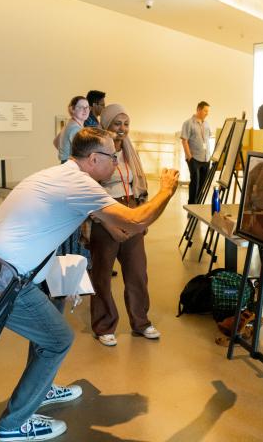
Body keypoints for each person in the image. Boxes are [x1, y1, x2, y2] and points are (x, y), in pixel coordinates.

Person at [0, 127, 179, 441]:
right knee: (58, 339)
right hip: (2, 279)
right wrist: (166, 190)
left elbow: (66, 233)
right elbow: (136, 221)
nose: (116, 162)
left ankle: (42, 388)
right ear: (94, 159)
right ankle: (14, 424)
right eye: (112, 156)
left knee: (52, 314)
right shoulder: (80, 184)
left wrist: (69, 279)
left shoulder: (58, 175)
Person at [88, 104, 157, 346]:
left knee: (137, 272)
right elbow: (89, 194)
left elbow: (139, 186)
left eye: (126, 124)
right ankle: (104, 325)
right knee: (102, 275)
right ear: (106, 125)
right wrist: (110, 226)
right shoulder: (96, 153)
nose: (122, 129)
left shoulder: (129, 151)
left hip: (131, 211)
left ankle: (141, 322)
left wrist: (141, 218)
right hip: (105, 214)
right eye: (117, 123)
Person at [181, 101, 211, 204]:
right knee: (195, 183)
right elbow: (184, 140)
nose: (207, 113)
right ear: (198, 109)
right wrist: (190, 157)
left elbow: (207, 139)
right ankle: (191, 206)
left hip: (206, 159)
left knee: (202, 184)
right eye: (205, 111)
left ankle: (198, 205)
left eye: (208, 111)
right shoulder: (188, 123)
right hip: (194, 159)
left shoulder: (206, 124)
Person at [54, 95, 89, 162]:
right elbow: (83, 152)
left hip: (67, 162)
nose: (85, 110)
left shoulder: (70, 123)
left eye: (87, 107)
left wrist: (65, 153)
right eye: (81, 107)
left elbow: (55, 142)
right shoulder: (75, 128)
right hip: (71, 163)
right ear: (72, 109)